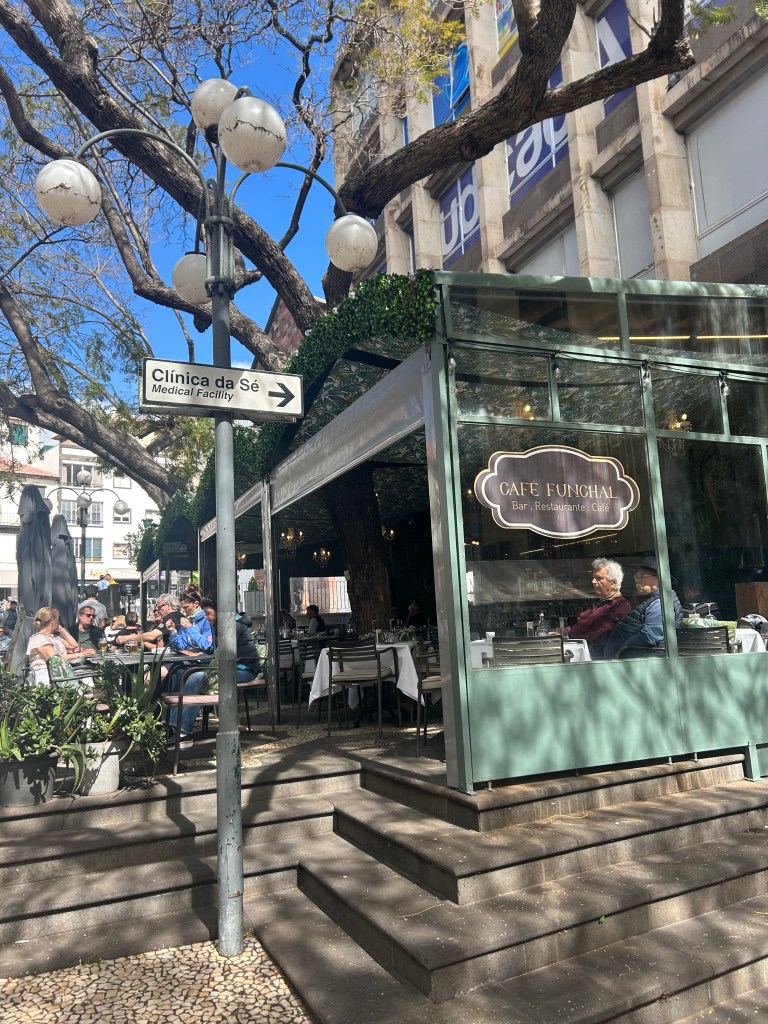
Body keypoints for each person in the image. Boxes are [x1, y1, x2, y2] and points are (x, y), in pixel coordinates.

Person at [166, 597, 261, 748]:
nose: (206, 616)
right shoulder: (217, 625)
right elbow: (211, 649)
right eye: (205, 613)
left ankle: (183, 731)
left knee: (195, 677)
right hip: (226, 667)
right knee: (188, 675)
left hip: (244, 669)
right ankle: (173, 726)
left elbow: (222, 652)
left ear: (220, 612)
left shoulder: (233, 626)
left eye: (209, 613)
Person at [604, 556, 683, 659]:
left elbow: (650, 636)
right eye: (636, 577)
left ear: (658, 578)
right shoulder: (652, 601)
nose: (637, 580)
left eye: (641, 576)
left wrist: (623, 650)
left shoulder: (660, 603)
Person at [559, 558, 630, 660]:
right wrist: (561, 633)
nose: (593, 582)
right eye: (593, 578)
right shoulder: (597, 601)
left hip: (597, 657)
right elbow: (580, 626)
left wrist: (570, 637)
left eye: (599, 578)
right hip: (579, 648)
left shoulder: (621, 605)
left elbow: (601, 634)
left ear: (613, 582)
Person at [26, 606, 94, 685]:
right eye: (58, 619)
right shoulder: (39, 638)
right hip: (46, 674)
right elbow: (54, 659)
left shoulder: (54, 638)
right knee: (85, 677)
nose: (59, 622)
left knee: (86, 674)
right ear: (52, 620)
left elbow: (75, 647)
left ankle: (90, 694)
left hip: (59, 672)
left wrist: (62, 630)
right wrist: (81, 654)